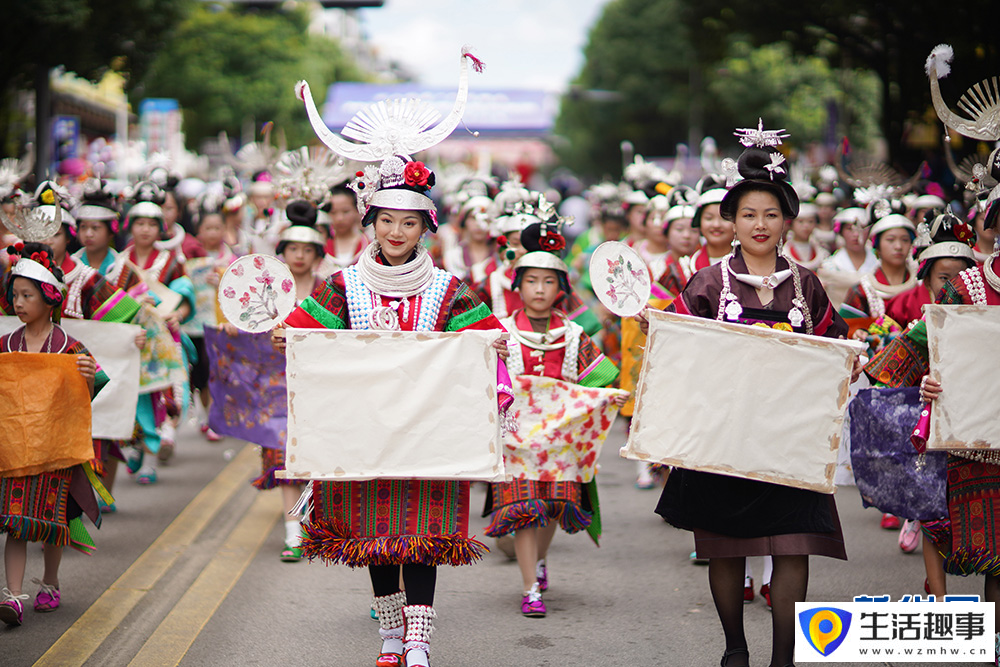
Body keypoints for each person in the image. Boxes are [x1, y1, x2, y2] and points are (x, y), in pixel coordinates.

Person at [282, 51, 510, 666]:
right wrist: (289, 337)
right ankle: (388, 633)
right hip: (366, 434)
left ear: (425, 228)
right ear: (371, 221)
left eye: (409, 223)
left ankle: (418, 638)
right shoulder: (343, 284)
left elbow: (486, 338)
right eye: (386, 220)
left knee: (423, 539)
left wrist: (497, 344)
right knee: (375, 539)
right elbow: (307, 332)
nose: (396, 232)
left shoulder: (448, 288)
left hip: (428, 436)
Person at [642, 127, 852, 667]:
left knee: (793, 545)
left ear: (788, 222)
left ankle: (785, 658)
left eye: (771, 214)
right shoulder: (708, 284)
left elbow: (832, 352)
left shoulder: (807, 286)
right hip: (723, 437)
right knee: (727, 547)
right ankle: (735, 649)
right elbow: (679, 359)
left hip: (790, 438)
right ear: (731, 221)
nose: (760, 224)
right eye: (749, 214)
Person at [864, 196, 1000, 652]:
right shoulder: (964, 287)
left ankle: (995, 639)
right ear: (992, 227)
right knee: (945, 526)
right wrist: (923, 382)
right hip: (969, 432)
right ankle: (944, 608)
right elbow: (927, 343)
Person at [484, 219, 623, 618]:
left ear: (561, 288)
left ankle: (540, 562)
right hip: (516, 442)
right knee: (527, 509)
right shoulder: (502, 332)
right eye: (531, 281)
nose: (540, 289)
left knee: (550, 510)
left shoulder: (576, 333)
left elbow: (599, 377)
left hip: (560, 445)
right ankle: (530, 587)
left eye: (548, 281)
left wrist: (608, 396)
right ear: (518, 286)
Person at [0, 245, 107, 626]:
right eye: (15, 295)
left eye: (27, 295)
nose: (19, 303)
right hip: (14, 453)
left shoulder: (68, 347)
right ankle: (12, 596)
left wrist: (89, 376)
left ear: (50, 300)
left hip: (55, 451)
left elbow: (93, 389)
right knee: (15, 524)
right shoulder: (5, 346)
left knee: (49, 525)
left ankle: (49, 581)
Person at [840, 204, 918, 321]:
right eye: (890, 240)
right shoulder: (862, 290)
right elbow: (848, 327)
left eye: (905, 240)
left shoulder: (921, 285)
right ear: (877, 245)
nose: (898, 246)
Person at [316, 185, 369, 277]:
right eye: (333, 212)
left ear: (357, 211)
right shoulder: (319, 244)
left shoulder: (368, 246)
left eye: (346, 212)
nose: (340, 218)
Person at [781, 202, 828, 271]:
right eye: (800, 221)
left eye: (810, 221)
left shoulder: (822, 254)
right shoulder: (784, 253)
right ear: (791, 224)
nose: (806, 226)